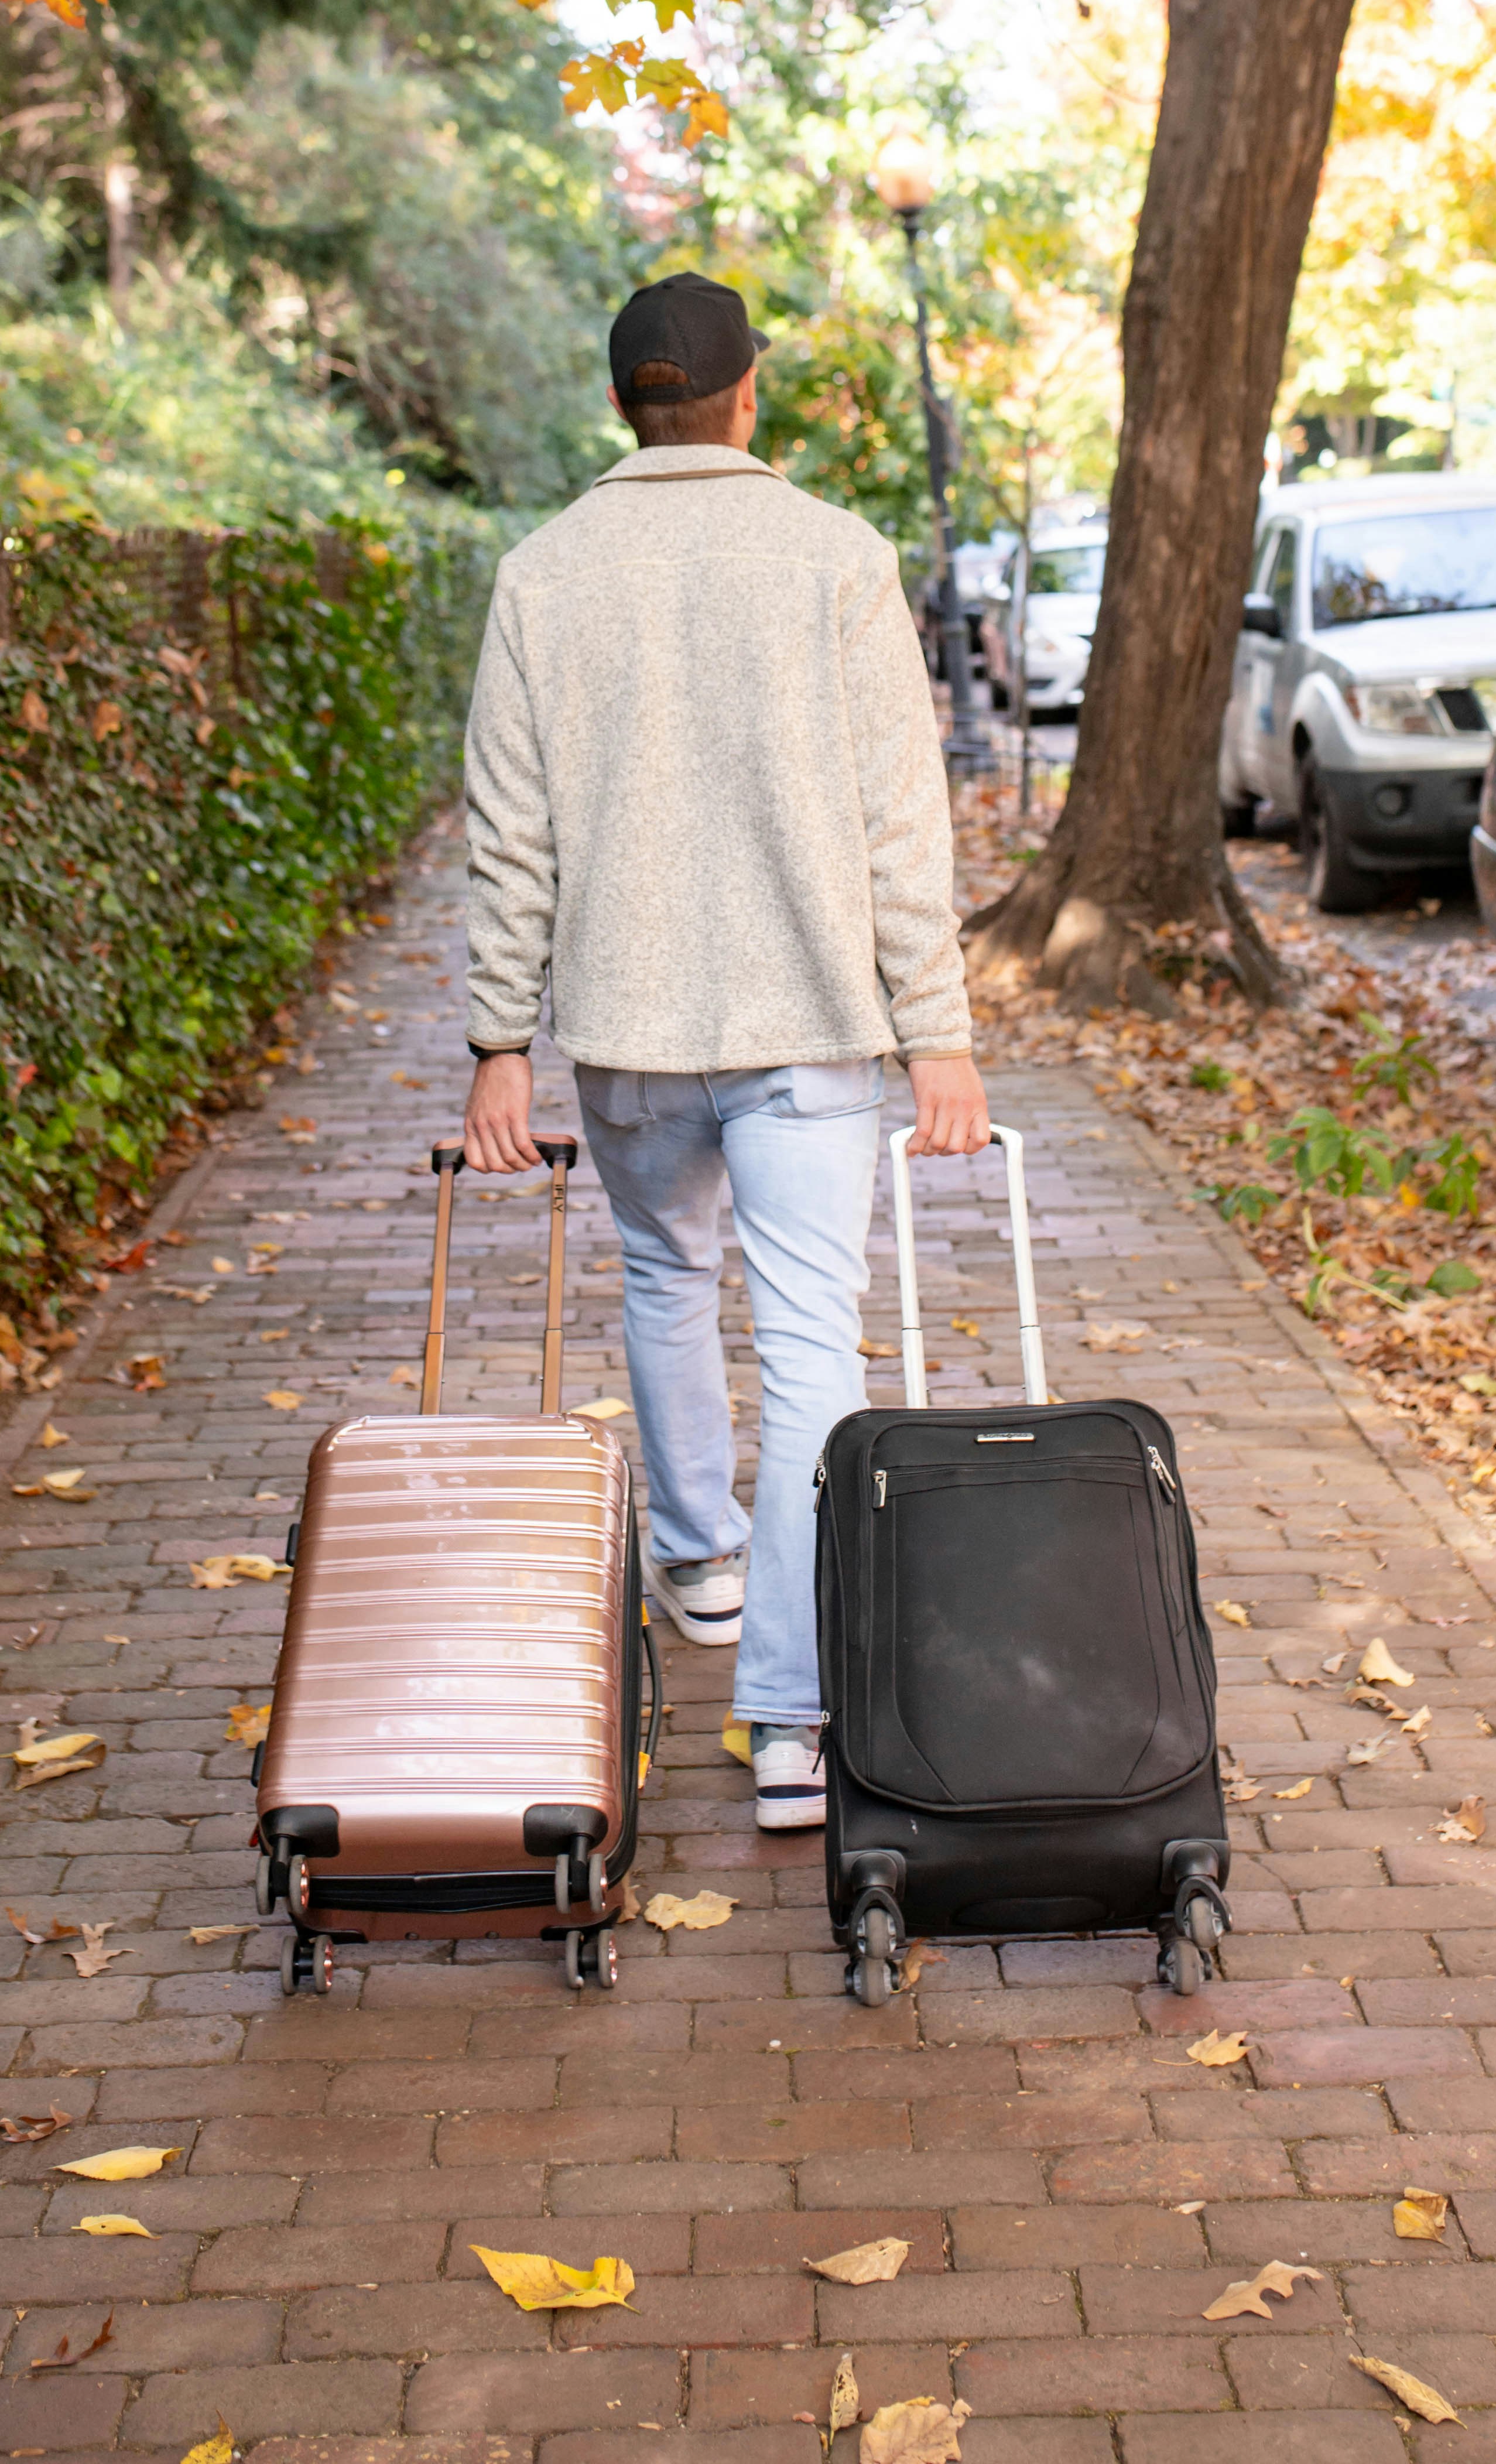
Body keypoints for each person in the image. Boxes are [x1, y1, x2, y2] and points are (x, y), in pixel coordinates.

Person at [461, 270, 989, 1832]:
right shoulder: (837, 560)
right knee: (814, 1342)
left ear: (623, 404)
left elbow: (510, 835)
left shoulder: (544, 576)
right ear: (750, 395)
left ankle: (697, 1560)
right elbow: (903, 815)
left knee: (666, 1279)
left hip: (627, 1029)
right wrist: (937, 1032)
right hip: (813, 1022)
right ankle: (789, 1722)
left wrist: (502, 1040)